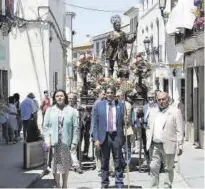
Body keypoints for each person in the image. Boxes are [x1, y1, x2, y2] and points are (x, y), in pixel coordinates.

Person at [146, 92, 184, 188]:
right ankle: (154, 187)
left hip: (168, 144)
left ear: (168, 99)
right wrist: (148, 141)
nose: (161, 102)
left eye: (163, 99)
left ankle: (167, 186)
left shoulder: (175, 111)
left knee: (168, 168)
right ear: (156, 100)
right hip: (155, 145)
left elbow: (180, 130)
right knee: (153, 168)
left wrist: (180, 145)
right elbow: (149, 127)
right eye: (159, 100)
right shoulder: (153, 111)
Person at [43, 89, 79, 188]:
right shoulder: (50, 110)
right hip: (54, 142)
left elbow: (76, 128)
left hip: (65, 142)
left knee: (65, 165)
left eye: (61, 96)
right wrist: (47, 140)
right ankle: (58, 185)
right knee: (55, 166)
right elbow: (45, 126)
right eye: (57, 96)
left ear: (65, 97)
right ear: (54, 98)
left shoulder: (72, 111)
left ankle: (65, 185)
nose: (59, 97)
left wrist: (74, 142)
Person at [92, 85, 125, 188]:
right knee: (104, 161)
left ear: (115, 94)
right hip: (104, 137)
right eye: (108, 92)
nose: (110, 94)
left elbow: (124, 122)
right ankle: (104, 182)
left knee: (118, 160)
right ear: (105, 94)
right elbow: (95, 123)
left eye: (112, 92)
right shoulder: (99, 105)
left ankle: (119, 182)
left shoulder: (120, 105)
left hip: (116, 136)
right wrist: (96, 138)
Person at [116, 90, 133, 171]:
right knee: (118, 147)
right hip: (117, 129)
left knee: (126, 148)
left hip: (125, 129)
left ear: (123, 96)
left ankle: (127, 164)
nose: (117, 98)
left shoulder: (127, 104)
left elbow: (127, 118)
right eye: (116, 96)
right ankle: (122, 162)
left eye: (118, 96)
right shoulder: (115, 104)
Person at [67, 92, 83, 174]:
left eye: (72, 98)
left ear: (74, 99)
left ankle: (76, 165)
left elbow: (78, 122)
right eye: (69, 98)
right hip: (65, 132)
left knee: (73, 149)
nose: (70, 100)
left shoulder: (77, 109)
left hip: (74, 132)